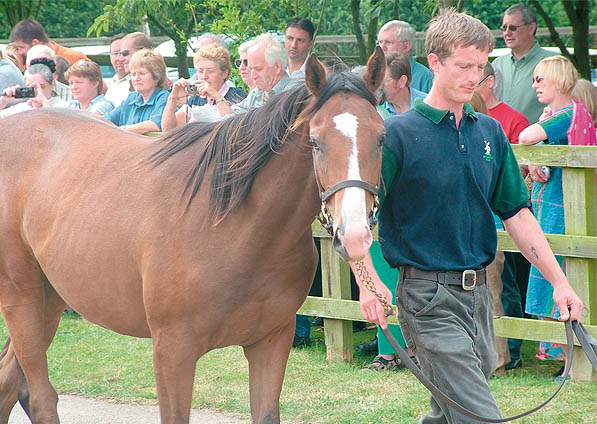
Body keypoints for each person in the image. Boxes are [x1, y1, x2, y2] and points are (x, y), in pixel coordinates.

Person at [353, 11, 583, 423]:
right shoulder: (396, 136)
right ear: (435, 62)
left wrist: (560, 282)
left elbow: (517, 214)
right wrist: (368, 286)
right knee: (478, 415)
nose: (473, 76)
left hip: (478, 297)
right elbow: (355, 220)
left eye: (480, 66)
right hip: (426, 297)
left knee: (449, 411)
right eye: (463, 66)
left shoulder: (490, 132)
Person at [519, 56, 595, 381]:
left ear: (558, 81)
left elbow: (524, 137)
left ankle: (573, 365)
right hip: (550, 208)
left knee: (562, 280)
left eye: (540, 79)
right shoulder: (556, 115)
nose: (534, 85)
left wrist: (534, 151)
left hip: (563, 212)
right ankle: (569, 362)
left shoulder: (565, 115)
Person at [364, 51, 425, 371]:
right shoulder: (374, 112)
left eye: (385, 80)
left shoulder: (428, 106)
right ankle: (387, 353)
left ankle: (416, 351)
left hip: (422, 205)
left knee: (417, 283)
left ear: (402, 81)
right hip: (387, 204)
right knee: (383, 277)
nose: (379, 86)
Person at [475, 61, 530, 372]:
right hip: (480, 226)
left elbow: (518, 177)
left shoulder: (508, 122)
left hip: (500, 221)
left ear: (490, 81)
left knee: (502, 287)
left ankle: (507, 352)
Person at [492, 4, 557, 124]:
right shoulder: (497, 65)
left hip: (540, 140)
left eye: (512, 27)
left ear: (531, 28)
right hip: (500, 139)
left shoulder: (553, 63)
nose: (507, 33)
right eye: (503, 28)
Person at [161, 45, 246, 131]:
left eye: (210, 71)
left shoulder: (237, 95)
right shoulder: (196, 98)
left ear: (224, 73)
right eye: (200, 71)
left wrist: (216, 96)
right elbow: (168, 129)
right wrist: (172, 98)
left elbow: (233, 129)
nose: (204, 76)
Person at [224, 33, 301, 116]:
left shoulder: (295, 93)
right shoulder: (257, 94)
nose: (253, 76)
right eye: (251, 69)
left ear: (277, 67)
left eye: (258, 69)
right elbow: (231, 119)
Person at [107, 49, 169, 134]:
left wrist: (121, 130)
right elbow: (106, 120)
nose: (136, 78)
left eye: (142, 73)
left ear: (156, 76)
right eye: (133, 74)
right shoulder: (131, 98)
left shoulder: (163, 97)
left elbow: (155, 125)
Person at [377, 20, 433, 93]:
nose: (382, 47)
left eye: (388, 42)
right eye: (380, 42)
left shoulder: (425, 78)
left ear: (406, 46)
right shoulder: (375, 74)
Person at [9, 18, 89, 67]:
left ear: (36, 43)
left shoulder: (73, 57)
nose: (19, 52)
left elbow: (99, 86)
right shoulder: (24, 61)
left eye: (22, 47)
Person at [0, 62, 69, 118]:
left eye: (40, 87)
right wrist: (3, 102)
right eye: (30, 88)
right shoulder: (20, 109)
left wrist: (43, 101)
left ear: (52, 84)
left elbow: (55, 124)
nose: (36, 92)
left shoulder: (65, 107)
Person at [284, 17, 315, 82]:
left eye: (300, 40)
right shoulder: (275, 68)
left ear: (311, 44)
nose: (293, 45)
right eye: (290, 38)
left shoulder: (317, 73)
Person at [105, 33, 130, 108]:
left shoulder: (138, 83)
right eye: (115, 53)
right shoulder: (110, 84)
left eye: (124, 53)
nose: (119, 58)